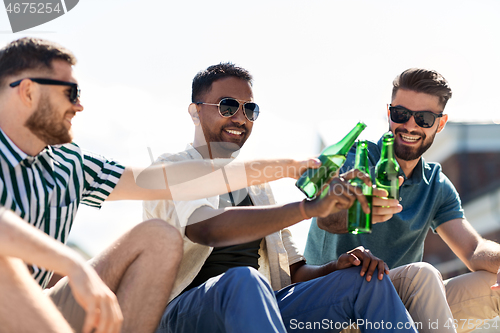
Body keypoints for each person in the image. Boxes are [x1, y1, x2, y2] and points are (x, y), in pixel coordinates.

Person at [0, 37, 323, 333]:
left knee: (158, 235)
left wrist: (287, 168)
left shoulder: (69, 163)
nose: (79, 106)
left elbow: (171, 180)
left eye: (79, 94)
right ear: (28, 91)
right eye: (70, 93)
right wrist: (71, 264)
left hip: (42, 302)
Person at [143, 62, 420, 333]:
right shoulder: (171, 168)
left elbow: (294, 272)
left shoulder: (258, 188)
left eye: (250, 109)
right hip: (182, 314)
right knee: (244, 280)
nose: (240, 118)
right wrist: (307, 208)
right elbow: (207, 229)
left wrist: (338, 265)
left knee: (365, 280)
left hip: (264, 306)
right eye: (227, 106)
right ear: (195, 112)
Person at [304, 68, 500, 333]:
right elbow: (326, 218)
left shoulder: (437, 185)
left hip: (402, 304)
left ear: (440, 124)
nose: (409, 125)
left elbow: (473, 250)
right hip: (338, 306)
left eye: (424, 118)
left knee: (493, 286)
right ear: (389, 113)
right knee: (424, 273)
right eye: (401, 114)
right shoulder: (355, 159)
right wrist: (361, 213)